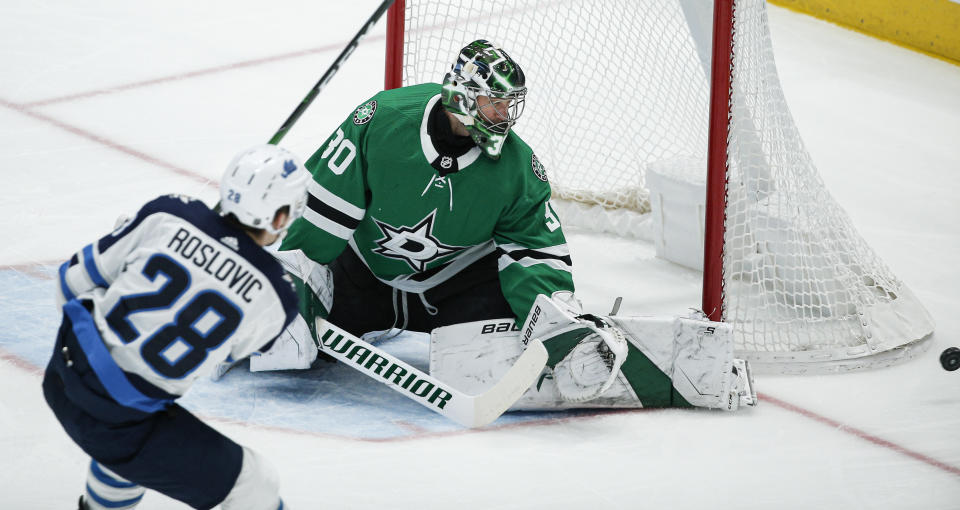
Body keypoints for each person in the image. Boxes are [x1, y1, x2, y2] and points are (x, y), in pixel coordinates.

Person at [263, 40, 756, 412]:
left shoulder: (519, 168)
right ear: (461, 96)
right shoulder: (383, 120)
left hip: (454, 291)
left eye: (510, 104)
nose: (504, 115)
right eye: (494, 103)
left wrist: (555, 316)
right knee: (283, 342)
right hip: (362, 275)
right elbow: (320, 212)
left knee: (515, 337)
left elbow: (535, 253)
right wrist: (291, 278)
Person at [42, 144, 309, 510]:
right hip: (122, 422)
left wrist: (131, 255)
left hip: (61, 378)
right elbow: (233, 351)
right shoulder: (278, 296)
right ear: (279, 219)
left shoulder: (168, 213)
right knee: (255, 483)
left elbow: (69, 283)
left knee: (135, 451)